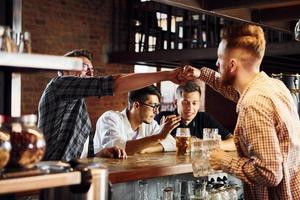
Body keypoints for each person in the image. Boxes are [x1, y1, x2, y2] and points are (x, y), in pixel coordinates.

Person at [180, 24, 300, 199]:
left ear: (232, 65)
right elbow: (234, 90)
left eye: (220, 58)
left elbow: (269, 173)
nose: (216, 63)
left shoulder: (253, 104)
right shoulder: (274, 86)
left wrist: (223, 160)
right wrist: (201, 74)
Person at [38, 49, 183, 161]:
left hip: (69, 175)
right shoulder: (58, 85)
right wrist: (167, 75)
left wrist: (100, 154)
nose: (89, 72)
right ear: (65, 70)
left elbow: (80, 155)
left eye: (91, 69)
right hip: (47, 175)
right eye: (83, 66)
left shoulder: (79, 103)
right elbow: (113, 83)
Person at [94, 85, 180, 155]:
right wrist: (158, 137)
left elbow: (172, 143)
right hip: (101, 173)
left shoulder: (150, 124)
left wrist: (144, 150)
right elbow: (118, 149)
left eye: (157, 107)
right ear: (136, 105)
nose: (157, 112)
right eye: (153, 106)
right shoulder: (109, 118)